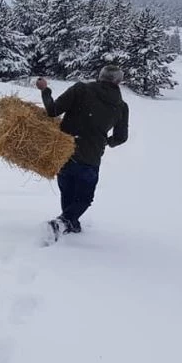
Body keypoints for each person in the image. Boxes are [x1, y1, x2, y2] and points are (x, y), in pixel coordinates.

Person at [36, 65, 129, 239]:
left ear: (99, 76)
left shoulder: (80, 89)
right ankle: (65, 223)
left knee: (68, 191)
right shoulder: (121, 106)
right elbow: (121, 137)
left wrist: (45, 90)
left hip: (65, 151)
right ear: (118, 82)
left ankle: (67, 223)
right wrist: (106, 141)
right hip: (90, 156)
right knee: (84, 198)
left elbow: (52, 111)